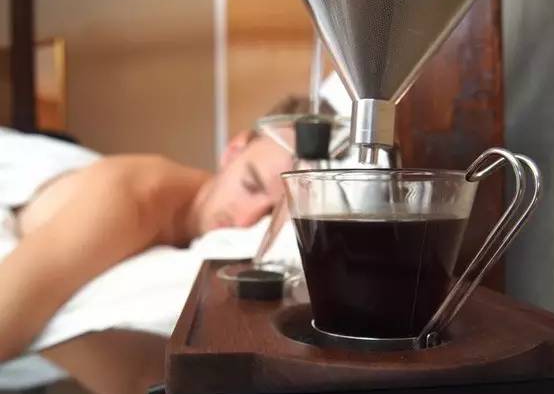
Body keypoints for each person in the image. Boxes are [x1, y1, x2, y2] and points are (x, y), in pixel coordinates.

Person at [0, 95, 335, 361]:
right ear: (233, 151)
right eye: (250, 186)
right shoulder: (130, 202)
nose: (246, 220)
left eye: (269, 216)